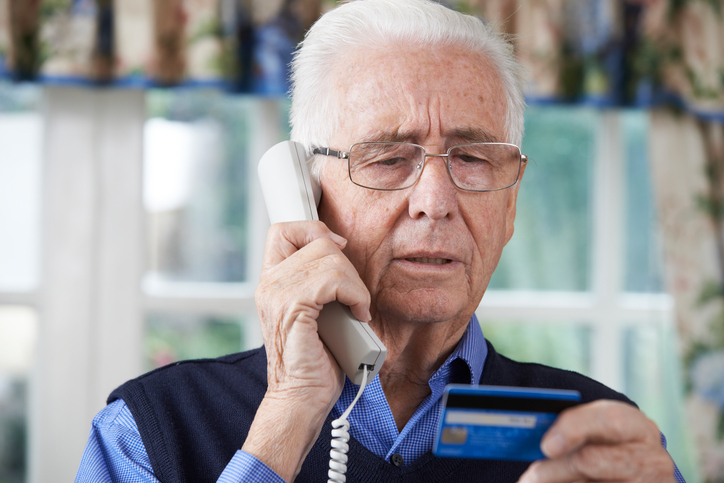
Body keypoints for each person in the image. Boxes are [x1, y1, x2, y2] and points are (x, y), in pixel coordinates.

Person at [76, 1, 685, 482]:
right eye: (389, 157)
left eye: (473, 158)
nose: (435, 201)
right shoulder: (149, 431)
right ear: (306, 197)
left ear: (511, 205)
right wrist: (287, 417)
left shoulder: (597, 440)